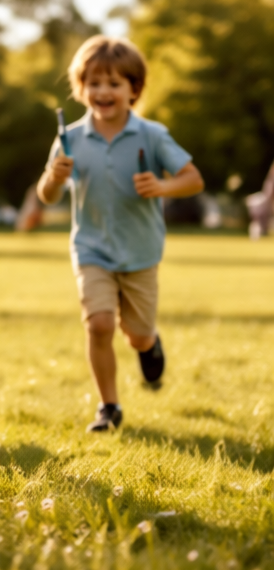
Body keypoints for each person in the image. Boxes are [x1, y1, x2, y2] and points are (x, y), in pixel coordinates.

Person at [37, 36, 204, 432]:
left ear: (134, 89)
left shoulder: (152, 135)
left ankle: (149, 343)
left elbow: (193, 179)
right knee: (98, 324)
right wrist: (53, 176)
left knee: (137, 333)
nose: (103, 91)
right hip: (91, 248)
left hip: (141, 252)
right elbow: (47, 196)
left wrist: (162, 187)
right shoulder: (70, 139)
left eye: (114, 83)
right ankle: (108, 406)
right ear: (81, 89)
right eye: (94, 83)